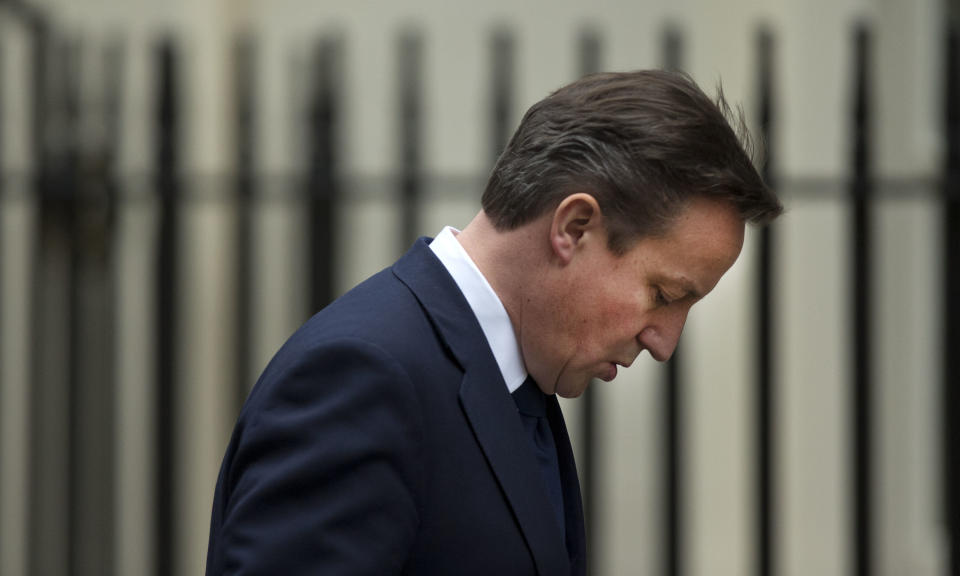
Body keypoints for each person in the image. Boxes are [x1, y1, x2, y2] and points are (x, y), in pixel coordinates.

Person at [205, 69, 782, 576]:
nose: (664, 342)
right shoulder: (361, 378)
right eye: (663, 294)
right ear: (574, 227)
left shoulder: (512, 376)